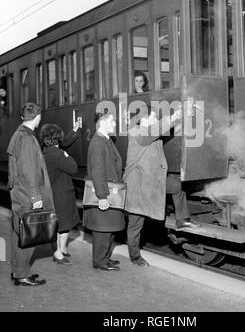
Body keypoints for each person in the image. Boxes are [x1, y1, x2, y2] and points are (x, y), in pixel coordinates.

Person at [123, 106, 196, 267]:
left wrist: (183, 117)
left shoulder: (150, 132)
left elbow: (161, 130)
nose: (155, 120)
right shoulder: (137, 131)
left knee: (176, 186)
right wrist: (175, 115)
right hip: (138, 183)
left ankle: (182, 220)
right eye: (153, 117)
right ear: (142, 119)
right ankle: (135, 256)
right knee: (136, 223)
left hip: (153, 179)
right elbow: (154, 131)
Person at [7, 102, 54, 286]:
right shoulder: (26, 138)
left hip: (19, 192)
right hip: (26, 194)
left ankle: (18, 270)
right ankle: (22, 274)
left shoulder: (18, 134)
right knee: (29, 234)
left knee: (19, 233)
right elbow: (28, 171)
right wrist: (36, 198)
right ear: (38, 117)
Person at [82, 109, 125, 271]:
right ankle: (99, 260)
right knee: (103, 228)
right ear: (102, 123)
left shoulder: (106, 140)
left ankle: (106, 257)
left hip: (111, 190)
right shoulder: (98, 143)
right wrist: (102, 196)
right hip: (105, 191)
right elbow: (97, 172)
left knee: (110, 227)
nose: (115, 124)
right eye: (112, 121)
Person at [39, 124, 80, 265]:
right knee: (62, 224)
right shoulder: (58, 154)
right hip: (61, 194)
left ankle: (62, 248)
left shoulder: (45, 153)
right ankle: (58, 253)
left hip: (55, 194)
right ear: (57, 138)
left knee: (62, 223)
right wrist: (66, 154)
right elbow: (73, 168)